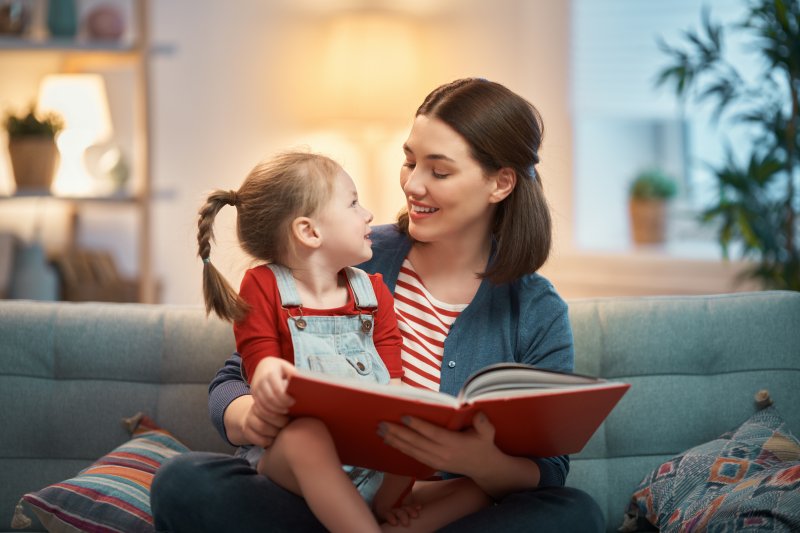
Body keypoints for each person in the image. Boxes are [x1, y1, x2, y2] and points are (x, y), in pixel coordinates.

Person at [152, 78, 605, 533]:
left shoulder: (536, 310)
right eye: (409, 162)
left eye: (439, 171)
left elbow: (548, 469)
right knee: (184, 481)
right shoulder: (352, 255)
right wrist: (256, 417)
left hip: (430, 510)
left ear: (500, 183)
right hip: (312, 499)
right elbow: (234, 380)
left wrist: (476, 460)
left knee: (573, 513)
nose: (413, 184)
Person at [193, 151, 492, 532]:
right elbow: (257, 356)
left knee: (475, 490)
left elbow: (393, 383)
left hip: (370, 465)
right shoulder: (263, 285)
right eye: (353, 203)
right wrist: (267, 373)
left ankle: (382, 516)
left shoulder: (374, 293)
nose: (368, 214)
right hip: (293, 462)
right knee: (306, 435)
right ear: (309, 232)